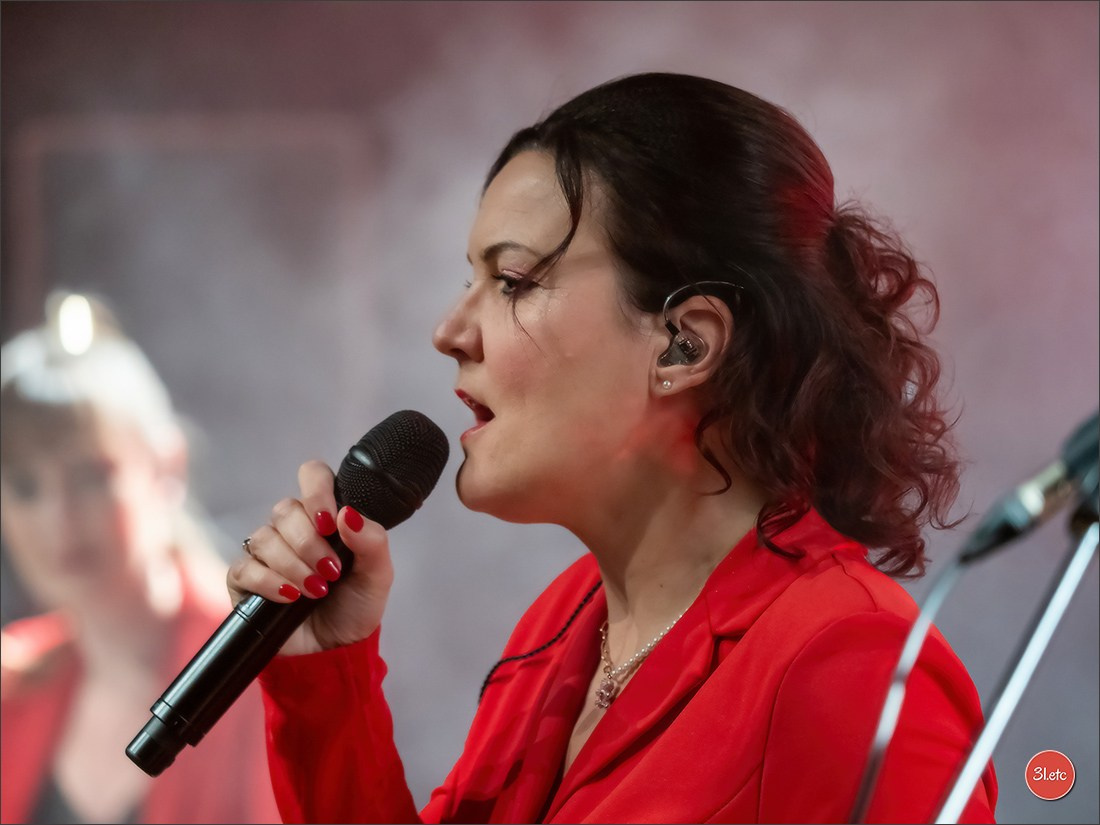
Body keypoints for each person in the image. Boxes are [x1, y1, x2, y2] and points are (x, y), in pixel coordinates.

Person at [230, 72, 999, 823]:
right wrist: (323, 675)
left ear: (684, 344)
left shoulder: (848, 668)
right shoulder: (566, 625)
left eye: (515, 280)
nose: (450, 332)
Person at [0, 291, 281, 824]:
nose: (57, 520)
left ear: (166, 466)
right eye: (25, 487)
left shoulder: (261, 670)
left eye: (91, 477)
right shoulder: (10, 680)